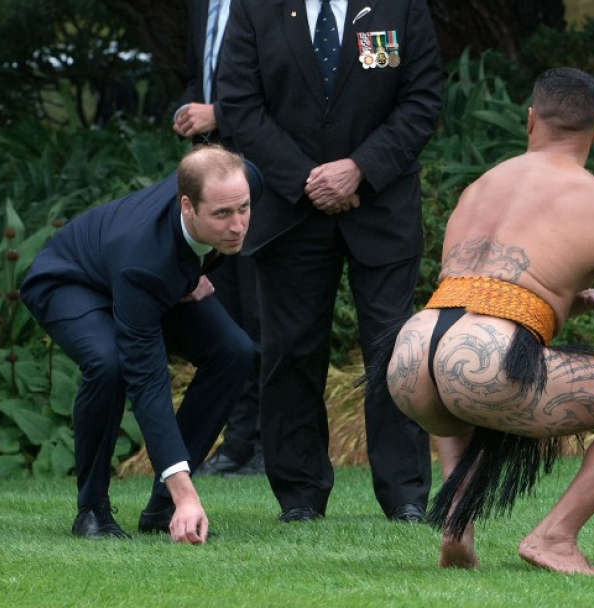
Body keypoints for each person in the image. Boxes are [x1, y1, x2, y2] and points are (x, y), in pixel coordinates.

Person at [367, 67, 594, 574]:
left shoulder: (480, 187)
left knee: (462, 377)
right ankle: (554, 538)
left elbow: (484, 295)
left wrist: (570, 300)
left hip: (410, 356)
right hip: (483, 362)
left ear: (530, 120)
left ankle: (457, 527)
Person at [216, 0, 444, 523]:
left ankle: (405, 495)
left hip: (381, 205)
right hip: (289, 210)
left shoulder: (401, 6)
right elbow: (238, 105)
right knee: (290, 351)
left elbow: (423, 98)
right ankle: (299, 495)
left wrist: (359, 168)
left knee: (393, 350)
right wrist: (309, 179)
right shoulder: (258, 9)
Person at [20, 145, 263, 543]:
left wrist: (190, 270)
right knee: (110, 364)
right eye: (222, 214)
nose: (238, 225)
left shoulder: (245, 179)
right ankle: (93, 509)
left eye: (243, 209)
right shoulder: (144, 264)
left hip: (150, 277)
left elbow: (221, 221)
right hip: (72, 281)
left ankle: (162, 508)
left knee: (234, 352)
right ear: (188, 207)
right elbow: (148, 383)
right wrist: (188, 491)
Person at [172, 0, 265, 477]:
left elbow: (284, 84)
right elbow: (201, 74)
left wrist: (219, 113)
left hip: (261, 177)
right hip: (211, 178)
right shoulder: (202, 5)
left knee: (262, 314)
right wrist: (190, 109)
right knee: (229, 313)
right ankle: (240, 440)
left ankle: (270, 441)